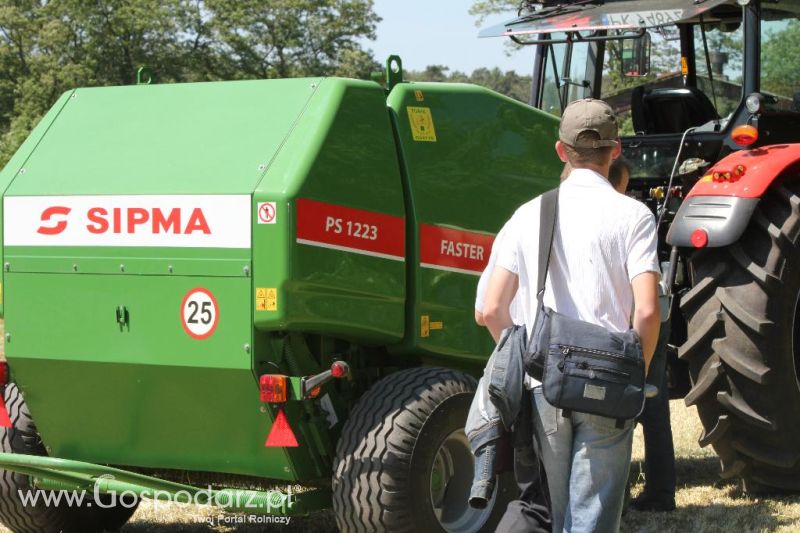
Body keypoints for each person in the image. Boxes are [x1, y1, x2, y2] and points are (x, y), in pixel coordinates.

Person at [483, 98, 661, 532]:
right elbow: (648, 309)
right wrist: (636, 372)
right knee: (591, 520)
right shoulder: (634, 216)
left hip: (545, 383)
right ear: (615, 150)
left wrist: (529, 362)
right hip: (610, 384)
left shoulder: (528, 215)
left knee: (551, 514)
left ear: (561, 151)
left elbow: (490, 309)